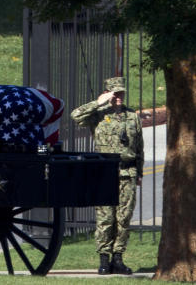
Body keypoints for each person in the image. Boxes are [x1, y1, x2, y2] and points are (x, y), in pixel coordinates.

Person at [71, 76, 144, 275]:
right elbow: (75, 116)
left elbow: (139, 147)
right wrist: (98, 103)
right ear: (108, 93)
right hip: (105, 172)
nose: (119, 97)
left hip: (127, 171)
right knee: (105, 218)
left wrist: (140, 172)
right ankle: (103, 259)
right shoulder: (98, 114)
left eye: (121, 93)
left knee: (124, 217)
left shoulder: (132, 116)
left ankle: (118, 258)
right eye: (115, 93)